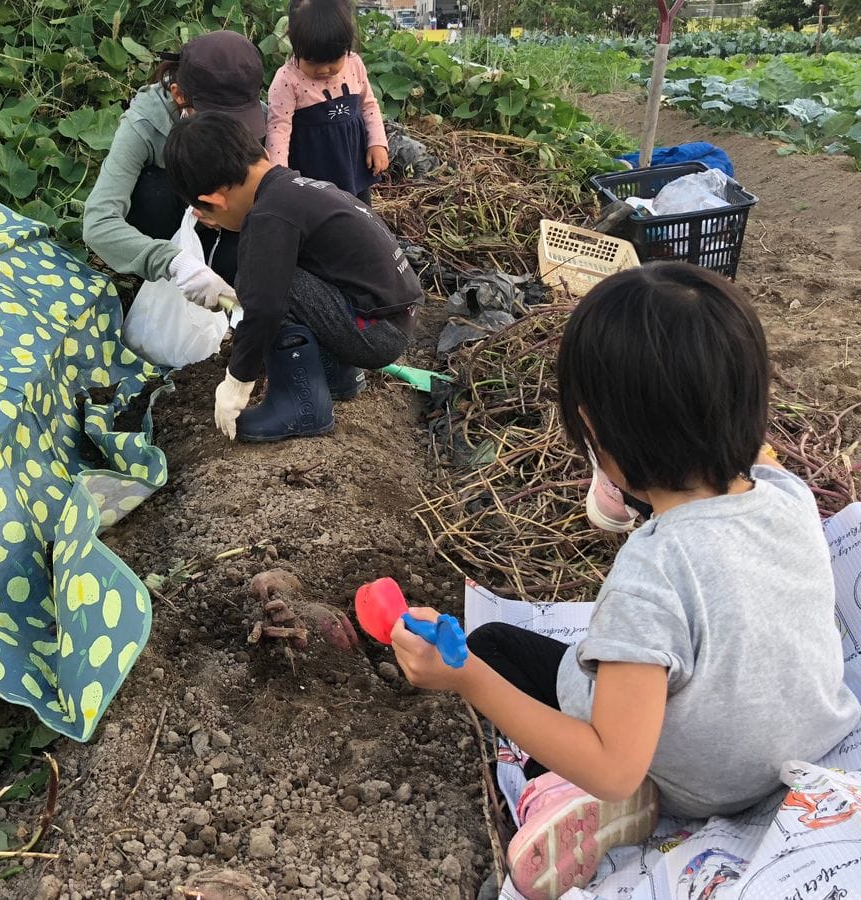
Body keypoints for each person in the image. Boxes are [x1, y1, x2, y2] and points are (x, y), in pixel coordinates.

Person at [389, 263, 861, 899]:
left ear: (596, 432)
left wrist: (461, 677)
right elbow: (750, 458)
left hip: (693, 783)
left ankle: (557, 790)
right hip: (796, 747)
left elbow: (616, 763)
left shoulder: (654, 574)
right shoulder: (786, 496)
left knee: (495, 647)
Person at [163, 112, 420, 442]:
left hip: (375, 334)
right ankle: (337, 375)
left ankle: (302, 406)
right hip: (389, 318)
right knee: (277, 275)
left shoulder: (268, 215)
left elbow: (263, 308)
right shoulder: (294, 190)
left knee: (260, 283)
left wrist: (236, 384)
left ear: (215, 200)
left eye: (209, 215)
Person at [81, 30, 266, 307]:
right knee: (152, 190)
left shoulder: (262, 117)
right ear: (178, 95)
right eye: (215, 119)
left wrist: (238, 211)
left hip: (230, 227)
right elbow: (98, 223)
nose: (227, 132)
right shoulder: (145, 124)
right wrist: (173, 261)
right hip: (166, 231)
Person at [265, 0, 388, 202]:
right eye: (312, 62)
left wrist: (377, 143)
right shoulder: (287, 79)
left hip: (353, 165)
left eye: (333, 61)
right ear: (296, 45)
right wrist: (279, 177)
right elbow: (279, 128)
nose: (323, 70)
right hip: (313, 171)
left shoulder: (354, 64)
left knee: (360, 212)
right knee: (319, 218)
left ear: (347, 47)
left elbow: (368, 105)